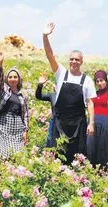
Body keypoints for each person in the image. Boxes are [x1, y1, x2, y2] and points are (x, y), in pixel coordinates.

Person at [42, 22, 96, 164]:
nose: (74, 62)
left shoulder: (87, 80)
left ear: (81, 61)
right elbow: (49, 55)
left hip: (78, 124)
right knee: (57, 155)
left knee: (78, 156)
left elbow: (90, 103)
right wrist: (45, 36)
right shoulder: (61, 73)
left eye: (77, 60)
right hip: (60, 123)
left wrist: (91, 123)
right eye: (71, 59)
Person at [0, 50, 29, 160]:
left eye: (15, 77)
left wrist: (25, 131)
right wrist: (0, 64)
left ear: (19, 79)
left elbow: (26, 114)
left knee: (17, 155)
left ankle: (13, 174)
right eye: (10, 77)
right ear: (7, 79)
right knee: (1, 154)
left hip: (18, 125)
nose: (12, 79)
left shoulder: (23, 95)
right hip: (4, 123)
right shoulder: (3, 91)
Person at [86, 70, 108, 167]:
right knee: (91, 146)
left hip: (105, 123)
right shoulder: (94, 94)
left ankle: (102, 170)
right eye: (97, 81)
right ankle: (91, 168)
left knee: (103, 147)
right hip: (93, 122)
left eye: (102, 80)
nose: (100, 83)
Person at [35, 72, 56, 147]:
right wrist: (40, 85)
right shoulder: (53, 95)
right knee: (51, 142)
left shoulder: (68, 95)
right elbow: (38, 96)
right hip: (54, 122)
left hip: (65, 123)